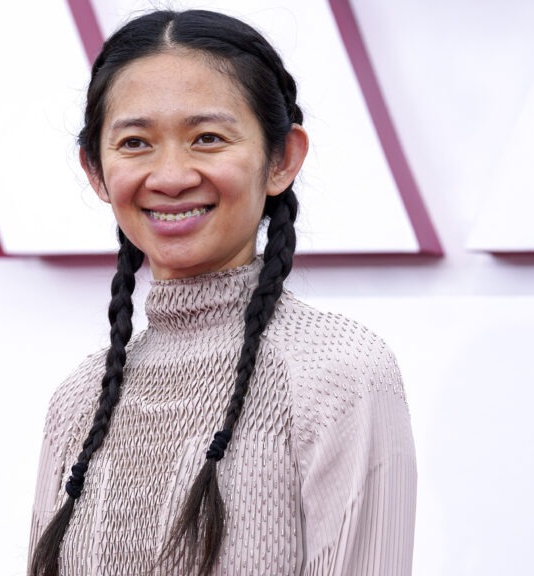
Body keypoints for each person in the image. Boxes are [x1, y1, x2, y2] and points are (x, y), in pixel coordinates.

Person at [28, 9, 416, 576]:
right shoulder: (77, 404)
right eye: (135, 142)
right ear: (96, 171)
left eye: (207, 138)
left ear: (282, 158)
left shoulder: (339, 375)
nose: (171, 175)